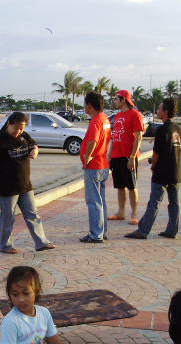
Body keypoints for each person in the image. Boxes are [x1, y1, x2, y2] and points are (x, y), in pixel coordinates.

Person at [0, 112, 55, 254]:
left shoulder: (24, 136)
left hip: (24, 184)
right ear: (9, 124)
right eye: (16, 128)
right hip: (6, 186)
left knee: (32, 214)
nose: (19, 131)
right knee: (8, 217)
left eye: (22, 128)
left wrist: (35, 150)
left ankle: (41, 243)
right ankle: (5, 246)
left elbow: (33, 144)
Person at [125, 98, 181, 240]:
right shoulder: (177, 129)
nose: (157, 111)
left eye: (159, 108)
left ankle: (143, 231)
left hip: (162, 172)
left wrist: (153, 166)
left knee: (154, 203)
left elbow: (156, 153)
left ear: (165, 111)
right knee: (174, 203)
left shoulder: (162, 130)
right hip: (176, 172)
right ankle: (172, 230)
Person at [108, 90, 145, 225]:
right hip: (116, 155)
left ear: (123, 100)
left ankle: (134, 214)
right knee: (120, 186)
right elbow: (114, 136)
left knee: (131, 186)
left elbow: (138, 137)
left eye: (116, 99)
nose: (114, 101)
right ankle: (121, 212)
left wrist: (132, 157)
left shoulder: (135, 115)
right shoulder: (118, 115)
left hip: (128, 156)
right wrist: (109, 155)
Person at [79, 92, 111, 243]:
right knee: (100, 201)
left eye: (85, 104)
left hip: (94, 166)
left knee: (93, 202)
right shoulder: (105, 119)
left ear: (89, 105)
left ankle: (96, 234)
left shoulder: (96, 121)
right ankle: (101, 231)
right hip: (103, 164)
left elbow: (93, 140)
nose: (84, 107)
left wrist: (87, 157)